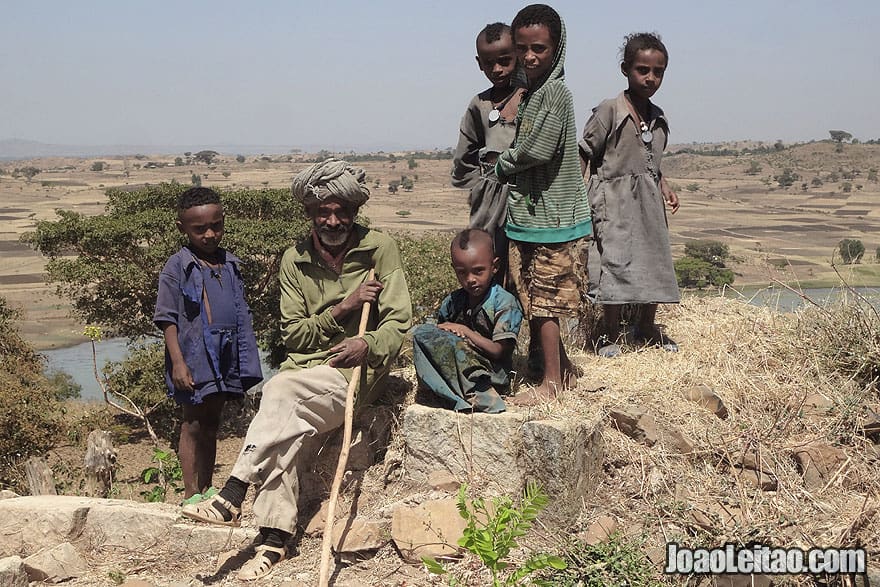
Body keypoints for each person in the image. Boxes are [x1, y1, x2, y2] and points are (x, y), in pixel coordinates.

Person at [181, 159, 412, 581]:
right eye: (323, 210)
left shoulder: (379, 249)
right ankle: (273, 540)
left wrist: (366, 342)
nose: (333, 219)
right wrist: (343, 307)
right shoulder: (294, 259)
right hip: (303, 374)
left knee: (279, 393)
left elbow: (399, 323)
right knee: (283, 419)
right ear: (309, 212)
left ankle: (233, 491)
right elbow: (295, 339)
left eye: (341, 210)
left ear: (354, 211)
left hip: (353, 379)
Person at [495, 4, 592, 405]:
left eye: (540, 49)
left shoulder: (555, 93)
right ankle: (562, 371)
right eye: (523, 49)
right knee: (535, 297)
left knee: (546, 303)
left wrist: (502, 163)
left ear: (558, 49)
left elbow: (537, 147)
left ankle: (550, 384)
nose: (531, 57)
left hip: (551, 216)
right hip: (535, 215)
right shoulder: (535, 92)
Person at [154, 187, 263, 500]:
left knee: (212, 422)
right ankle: (190, 493)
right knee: (192, 422)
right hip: (194, 355)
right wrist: (178, 362)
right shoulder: (177, 266)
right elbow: (167, 317)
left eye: (216, 225)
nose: (210, 234)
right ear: (182, 228)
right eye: (199, 229)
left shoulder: (229, 264)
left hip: (227, 352)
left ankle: (207, 487)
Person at [579, 32, 680, 358]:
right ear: (625, 69)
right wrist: (578, 196)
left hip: (648, 203)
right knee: (615, 260)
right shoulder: (609, 110)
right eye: (642, 70)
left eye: (658, 72)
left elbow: (653, 163)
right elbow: (584, 153)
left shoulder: (659, 117)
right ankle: (608, 334)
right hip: (613, 199)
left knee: (654, 258)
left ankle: (646, 327)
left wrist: (664, 185)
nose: (650, 78)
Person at [411, 228, 523, 413]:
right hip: (459, 362)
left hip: (490, 374)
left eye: (478, 271)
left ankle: (482, 396)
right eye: (462, 273)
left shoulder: (504, 302)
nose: (470, 279)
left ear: (494, 266)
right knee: (421, 334)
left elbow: (499, 351)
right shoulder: (453, 301)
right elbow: (442, 333)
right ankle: (445, 393)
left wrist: (465, 332)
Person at [451, 22, 522, 283]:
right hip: (490, 194)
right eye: (489, 63)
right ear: (479, 63)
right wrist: (476, 190)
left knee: (524, 264)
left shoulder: (531, 98)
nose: (497, 69)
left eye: (505, 61)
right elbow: (466, 151)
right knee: (487, 259)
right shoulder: (480, 104)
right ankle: (485, 319)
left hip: (526, 192)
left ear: (518, 55)